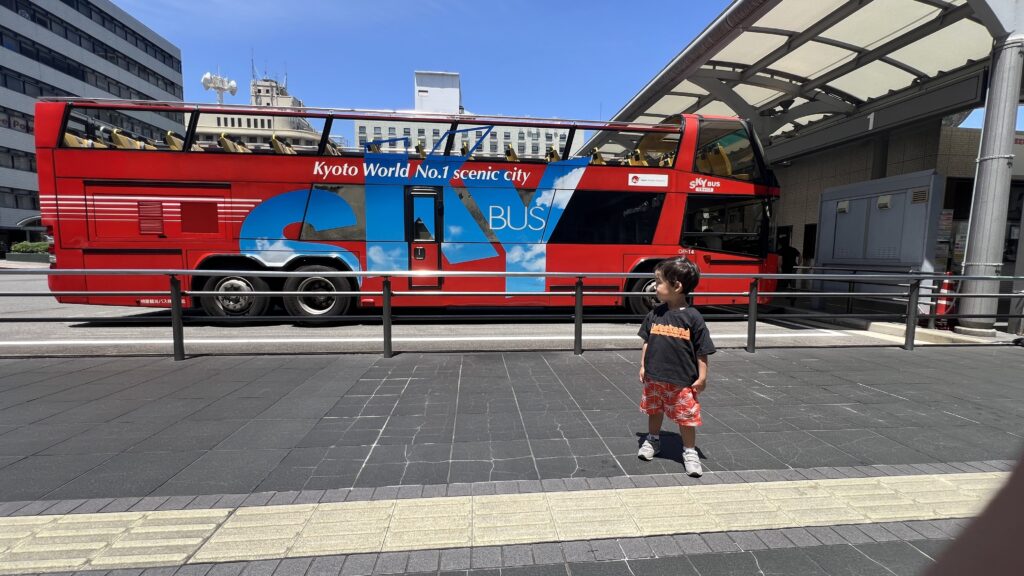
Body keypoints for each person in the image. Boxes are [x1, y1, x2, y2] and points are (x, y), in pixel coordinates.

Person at [637, 257, 716, 477]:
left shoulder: (693, 318)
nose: (655, 286)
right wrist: (643, 365)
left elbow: (702, 351)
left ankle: (689, 451)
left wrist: (702, 377)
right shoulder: (655, 313)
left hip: (682, 381)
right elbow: (647, 341)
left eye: (659, 282)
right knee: (654, 411)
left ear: (677, 286)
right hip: (655, 377)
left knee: (687, 417)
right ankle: (653, 440)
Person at [777, 237, 801, 302]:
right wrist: (798, 264)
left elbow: (780, 260)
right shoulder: (793, 249)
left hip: (785, 268)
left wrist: (779, 268)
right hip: (793, 267)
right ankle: (792, 296)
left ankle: (788, 295)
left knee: (785, 282)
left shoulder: (781, 250)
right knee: (792, 282)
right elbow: (800, 255)